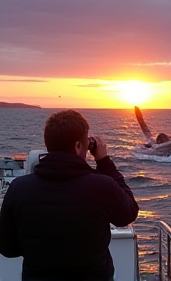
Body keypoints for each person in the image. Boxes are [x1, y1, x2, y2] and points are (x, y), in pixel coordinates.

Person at [0, 109, 139, 281]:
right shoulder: (103, 186)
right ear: (78, 145)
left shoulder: (19, 188)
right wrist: (103, 161)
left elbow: (8, 248)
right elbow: (128, 214)